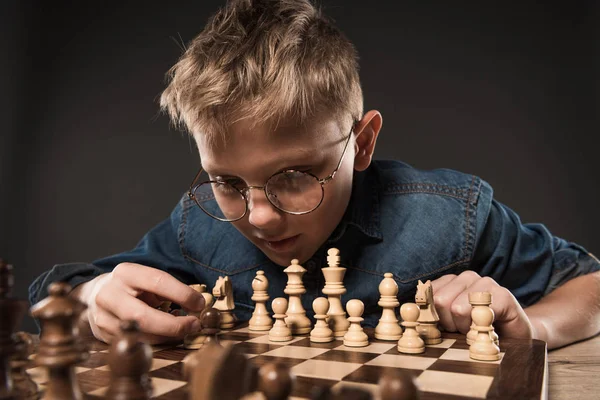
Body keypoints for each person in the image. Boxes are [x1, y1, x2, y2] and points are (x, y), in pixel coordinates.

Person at [29, 0, 599, 349]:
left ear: (364, 142)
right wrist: (92, 299)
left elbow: (592, 286)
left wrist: (532, 328)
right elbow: (64, 290)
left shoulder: (452, 219)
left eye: (295, 175)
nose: (258, 216)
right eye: (227, 182)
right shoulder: (196, 226)